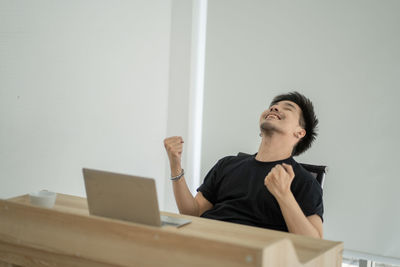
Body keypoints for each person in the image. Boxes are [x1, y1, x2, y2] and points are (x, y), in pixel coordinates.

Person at [163, 92, 323, 238]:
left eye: (287, 108)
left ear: (300, 132)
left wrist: (284, 195)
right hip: (202, 242)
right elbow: (193, 213)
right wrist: (175, 166)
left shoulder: (304, 182)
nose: (274, 108)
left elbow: (315, 245)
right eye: (273, 107)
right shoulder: (227, 165)